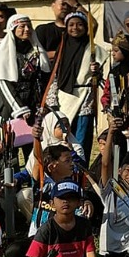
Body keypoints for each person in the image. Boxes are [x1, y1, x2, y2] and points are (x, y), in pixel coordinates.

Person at [40, 9, 104, 151]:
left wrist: (96, 71)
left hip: (84, 99)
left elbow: (97, 78)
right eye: (71, 25)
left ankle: (80, 169)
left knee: (81, 137)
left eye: (79, 24)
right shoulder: (61, 50)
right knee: (63, 136)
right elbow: (55, 75)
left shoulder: (93, 49)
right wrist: (52, 101)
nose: (75, 28)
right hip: (63, 98)